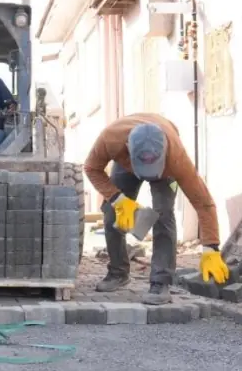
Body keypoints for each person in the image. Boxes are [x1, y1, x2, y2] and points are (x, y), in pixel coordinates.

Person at [83, 113, 229, 305]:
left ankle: (161, 282)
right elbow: (91, 168)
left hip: (165, 170)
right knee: (112, 213)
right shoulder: (111, 140)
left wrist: (211, 247)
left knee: (163, 215)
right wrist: (118, 199)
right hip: (126, 165)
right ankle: (118, 272)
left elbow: (203, 202)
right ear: (128, 148)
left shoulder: (176, 158)